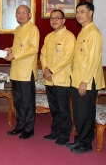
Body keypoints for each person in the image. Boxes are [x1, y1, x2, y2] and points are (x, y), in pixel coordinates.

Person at [66, 1, 105, 154]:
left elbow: (94, 60)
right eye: (77, 12)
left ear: (91, 13)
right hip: (77, 80)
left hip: (86, 82)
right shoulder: (83, 31)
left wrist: (85, 81)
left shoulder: (93, 32)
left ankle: (86, 143)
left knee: (86, 113)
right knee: (79, 112)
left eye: (82, 12)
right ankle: (81, 139)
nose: (79, 15)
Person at [40, 9, 76, 145]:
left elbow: (67, 57)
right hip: (49, 80)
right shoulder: (48, 36)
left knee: (64, 109)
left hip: (62, 79)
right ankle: (55, 131)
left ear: (64, 20)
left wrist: (51, 70)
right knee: (54, 109)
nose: (54, 20)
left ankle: (64, 135)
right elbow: (42, 55)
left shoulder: (69, 36)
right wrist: (45, 69)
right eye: (52, 18)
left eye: (57, 18)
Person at [4, 5, 39, 139]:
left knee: (28, 102)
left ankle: (29, 129)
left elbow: (33, 48)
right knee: (18, 101)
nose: (21, 15)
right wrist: (10, 49)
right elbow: (19, 47)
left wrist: (15, 55)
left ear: (30, 15)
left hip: (26, 71)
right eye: (18, 13)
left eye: (24, 12)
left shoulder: (33, 29)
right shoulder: (17, 29)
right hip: (16, 71)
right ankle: (20, 126)